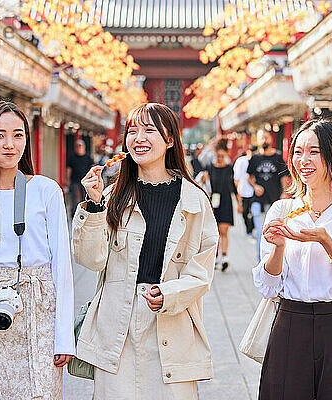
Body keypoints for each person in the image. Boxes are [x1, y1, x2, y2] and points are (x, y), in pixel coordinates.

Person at [72, 103, 219, 399]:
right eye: (133, 130)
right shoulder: (113, 196)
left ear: (169, 140)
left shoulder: (194, 200)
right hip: (118, 323)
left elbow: (201, 270)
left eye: (149, 130)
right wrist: (94, 205)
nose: (139, 137)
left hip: (171, 318)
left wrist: (170, 294)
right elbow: (92, 258)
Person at [253, 119, 332, 400]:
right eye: (298, 152)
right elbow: (269, 286)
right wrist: (277, 247)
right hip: (290, 321)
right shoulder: (283, 209)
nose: (303, 160)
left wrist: (326, 241)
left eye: (313, 152)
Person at [0, 100, 74, 399]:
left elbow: (62, 266)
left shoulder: (46, 190)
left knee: (42, 392)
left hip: (40, 307)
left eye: (18, 134)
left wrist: (64, 337)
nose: (10, 144)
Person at [247, 130, 289, 260]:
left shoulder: (277, 157)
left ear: (270, 139)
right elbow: (249, 177)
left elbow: (284, 177)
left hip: (274, 201)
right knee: (260, 232)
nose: (264, 140)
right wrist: (255, 186)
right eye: (261, 138)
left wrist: (284, 192)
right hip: (257, 201)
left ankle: (272, 258)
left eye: (266, 138)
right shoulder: (254, 158)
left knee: (274, 233)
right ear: (258, 141)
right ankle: (262, 260)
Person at [206, 138, 239, 271]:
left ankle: (224, 257)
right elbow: (205, 186)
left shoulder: (229, 168)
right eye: (217, 156)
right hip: (213, 203)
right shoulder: (209, 168)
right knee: (215, 231)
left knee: (224, 230)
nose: (219, 158)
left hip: (225, 201)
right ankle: (215, 257)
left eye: (222, 156)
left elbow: (233, 186)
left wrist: (239, 202)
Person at [233, 145, 256, 236]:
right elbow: (236, 178)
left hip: (254, 190)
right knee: (245, 211)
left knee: (255, 211)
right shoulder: (241, 161)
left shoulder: (256, 160)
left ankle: (251, 228)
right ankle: (248, 228)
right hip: (243, 190)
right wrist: (237, 192)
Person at [67, 139, 94, 216]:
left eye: (81, 146)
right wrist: (68, 180)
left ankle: (84, 212)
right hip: (74, 180)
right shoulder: (72, 157)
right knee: (74, 197)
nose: (79, 148)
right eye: (77, 146)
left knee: (85, 197)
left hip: (85, 180)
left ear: (84, 147)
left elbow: (92, 167)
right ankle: (74, 213)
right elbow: (68, 169)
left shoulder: (88, 157)